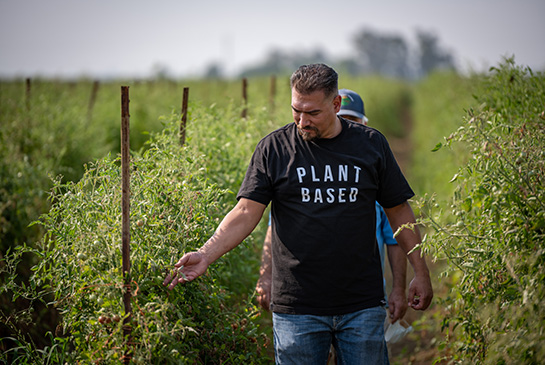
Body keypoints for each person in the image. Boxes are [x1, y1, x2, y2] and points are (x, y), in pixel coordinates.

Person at [164, 64, 433, 364]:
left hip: (361, 304)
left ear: (335, 104)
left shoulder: (370, 145)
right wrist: (205, 254)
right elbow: (244, 212)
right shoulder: (274, 150)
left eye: (312, 113)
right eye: (296, 110)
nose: (302, 121)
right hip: (297, 309)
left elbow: (398, 212)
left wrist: (420, 273)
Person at [255, 89, 409, 325]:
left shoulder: (371, 168)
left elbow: (395, 236)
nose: (346, 126)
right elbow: (272, 228)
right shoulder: (289, 157)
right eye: (342, 119)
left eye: (353, 121)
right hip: (304, 301)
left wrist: (399, 287)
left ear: (364, 123)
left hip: (362, 298)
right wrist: (265, 275)